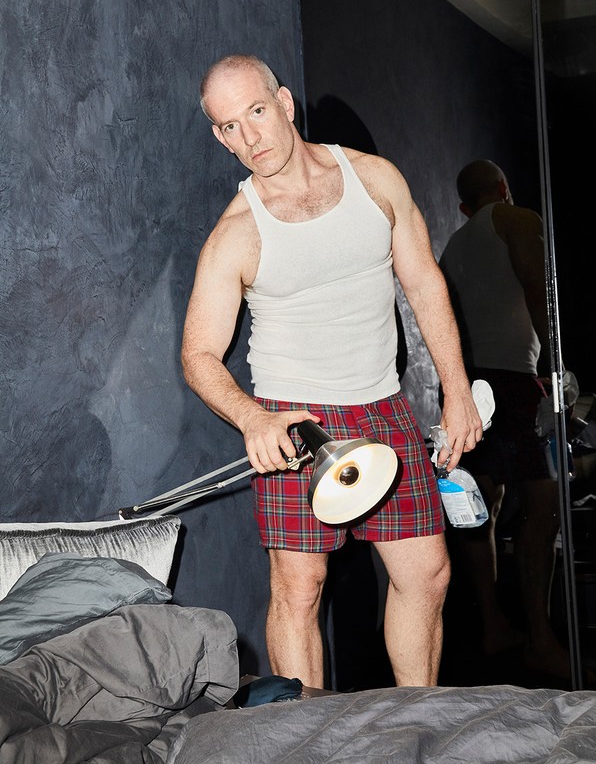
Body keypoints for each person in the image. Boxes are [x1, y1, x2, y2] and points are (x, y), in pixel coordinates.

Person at [181, 54, 482, 689]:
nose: (250, 138)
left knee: (427, 574)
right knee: (299, 586)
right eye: (230, 127)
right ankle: (308, 742)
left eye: (257, 113)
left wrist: (457, 390)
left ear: (285, 103)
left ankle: (416, 720)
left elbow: (424, 284)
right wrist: (251, 418)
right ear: (218, 136)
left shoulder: (375, 180)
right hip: (298, 418)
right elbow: (199, 355)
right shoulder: (235, 233)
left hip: (382, 405)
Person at [439, 159, 569, 680]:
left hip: (468, 385)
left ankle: (494, 627)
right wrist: (557, 364)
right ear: (503, 189)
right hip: (511, 381)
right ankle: (541, 640)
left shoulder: (452, 246)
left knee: (482, 505)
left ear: (465, 207)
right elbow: (541, 290)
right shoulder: (515, 220)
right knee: (543, 505)